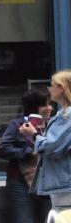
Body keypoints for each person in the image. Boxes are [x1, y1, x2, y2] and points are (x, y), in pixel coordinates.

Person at [0, 87, 53, 223]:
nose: (49, 108)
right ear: (34, 107)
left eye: (50, 104)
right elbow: (3, 148)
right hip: (20, 183)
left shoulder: (55, 124)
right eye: (44, 104)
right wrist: (27, 150)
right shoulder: (18, 125)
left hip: (48, 184)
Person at [25, 69, 71, 211]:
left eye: (52, 85)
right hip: (62, 183)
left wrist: (33, 134)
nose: (49, 89)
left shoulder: (67, 117)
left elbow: (52, 147)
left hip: (65, 185)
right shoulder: (61, 115)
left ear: (61, 88)